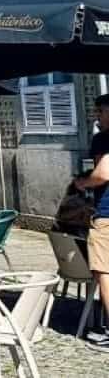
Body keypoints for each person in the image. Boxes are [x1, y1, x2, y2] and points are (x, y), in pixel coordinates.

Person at [73, 94, 109, 350]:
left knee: (105, 272)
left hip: (107, 215)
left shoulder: (104, 138)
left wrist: (82, 182)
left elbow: (103, 174)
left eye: (99, 111)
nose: (96, 117)